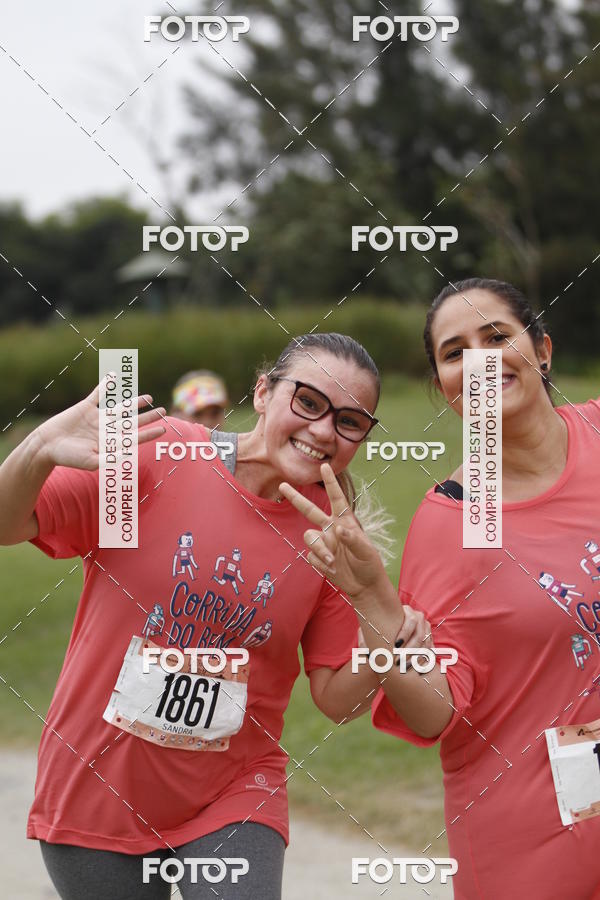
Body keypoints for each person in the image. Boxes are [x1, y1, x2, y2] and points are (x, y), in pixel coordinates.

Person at [0, 332, 429, 900]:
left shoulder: (331, 537)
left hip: (232, 793)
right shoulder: (161, 454)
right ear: (262, 392)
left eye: (350, 421)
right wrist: (39, 446)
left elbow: (337, 700)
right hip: (95, 783)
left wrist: (386, 627)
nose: (324, 429)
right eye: (308, 402)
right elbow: (10, 523)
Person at [281, 281, 600, 900]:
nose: (479, 360)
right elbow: (433, 714)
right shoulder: (452, 520)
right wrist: (374, 600)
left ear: (543, 349)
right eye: (454, 353)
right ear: (443, 387)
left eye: (497, 337)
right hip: (530, 842)